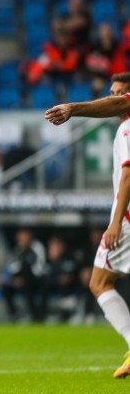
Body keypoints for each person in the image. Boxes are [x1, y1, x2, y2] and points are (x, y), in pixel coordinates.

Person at [44, 72, 130, 378]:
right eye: (112, 92)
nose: (114, 98)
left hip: (127, 221)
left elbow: (128, 176)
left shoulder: (128, 128)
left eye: (119, 94)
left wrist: (116, 222)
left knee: (99, 282)